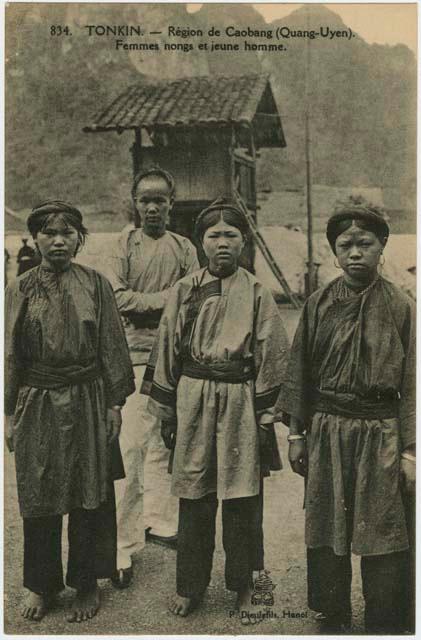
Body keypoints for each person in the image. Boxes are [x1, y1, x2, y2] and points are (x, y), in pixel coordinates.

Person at [143, 199, 289, 622]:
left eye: (230, 234)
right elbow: (167, 348)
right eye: (213, 235)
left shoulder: (258, 292)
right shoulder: (185, 289)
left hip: (240, 399)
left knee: (243, 498)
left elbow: (272, 353)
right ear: (200, 242)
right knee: (194, 496)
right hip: (192, 397)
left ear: (244, 241)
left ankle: (244, 584)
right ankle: (190, 586)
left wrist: (265, 416)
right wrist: (167, 410)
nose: (222, 243)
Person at [279, 202, 415, 633]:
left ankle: (387, 619)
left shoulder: (401, 305)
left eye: (365, 243)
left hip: (382, 434)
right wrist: (296, 434)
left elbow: (413, 382)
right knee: (325, 525)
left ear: (382, 247)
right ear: (334, 253)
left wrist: (411, 452)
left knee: (385, 529)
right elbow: (299, 370)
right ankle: (330, 613)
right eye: (345, 245)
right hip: (327, 429)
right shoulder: (319, 303)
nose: (355, 253)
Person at [4, 200, 135, 623]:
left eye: (67, 232)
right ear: (37, 238)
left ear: (80, 239)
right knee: (39, 491)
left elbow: (113, 344)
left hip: (88, 397)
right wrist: (8, 414)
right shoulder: (19, 287)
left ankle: (85, 583)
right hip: (37, 398)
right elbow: (9, 352)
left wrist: (115, 403)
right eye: (48, 232)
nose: (58, 240)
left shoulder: (96, 284)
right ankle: (41, 584)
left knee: (89, 490)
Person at [106, 167, 199, 588]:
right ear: (135, 202)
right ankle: (121, 548)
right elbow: (117, 297)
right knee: (129, 448)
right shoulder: (123, 244)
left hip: (174, 358)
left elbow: (195, 298)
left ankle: (160, 521)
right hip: (134, 358)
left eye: (160, 199)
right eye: (145, 199)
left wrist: (167, 304)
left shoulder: (184, 247)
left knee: (164, 442)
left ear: (171, 203)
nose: (152, 206)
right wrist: (167, 300)